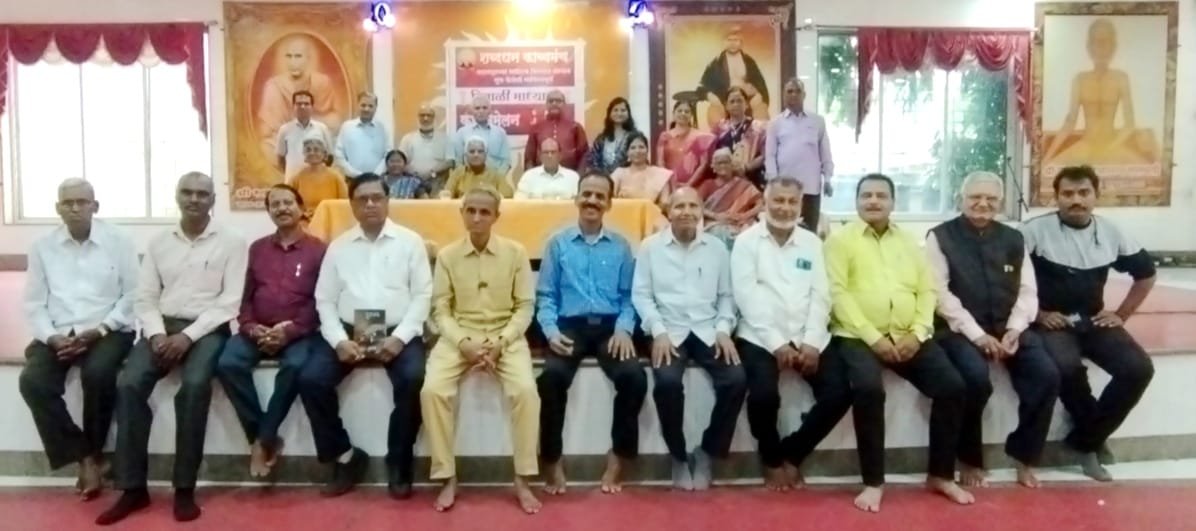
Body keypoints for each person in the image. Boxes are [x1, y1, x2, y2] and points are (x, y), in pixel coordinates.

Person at [97, 172, 248, 525]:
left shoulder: (232, 242)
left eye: (202, 194)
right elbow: (146, 297)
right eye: (187, 192)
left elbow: (229, 303)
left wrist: (188, 337)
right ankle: (133, 488)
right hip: (161, 328)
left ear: (213, 200)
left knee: (194, 387)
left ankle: (184, 487)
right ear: (177, 196)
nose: (194, 199)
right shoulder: (159, 242)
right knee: (129, 385)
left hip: (208, 329)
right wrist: (155, 334)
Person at [824, 173, 971, 513]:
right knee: (868, 390)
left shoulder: (909, 242)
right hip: (857, 335)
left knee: (952, 387)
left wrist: (918, 333)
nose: (873, 201)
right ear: (856, 201)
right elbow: (838, 295)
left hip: (907, 334)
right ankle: (873, 482)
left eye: (881, 195)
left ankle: (940, 474)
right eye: (866, 195)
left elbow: (927, 291)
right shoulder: (840, 241)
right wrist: (874, 338)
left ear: (893, 202)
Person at [297, 173, 433, 498]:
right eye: (362, 199)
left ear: (387, 201)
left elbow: (423, 295)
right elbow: (324, 300)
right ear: (352, 205)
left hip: (398, 330)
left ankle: (399, 462)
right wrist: (338, 341)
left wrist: (400, 337)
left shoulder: (410, 242)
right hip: (349, 330)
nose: (370, 204)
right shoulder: (339, 247)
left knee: (414, 379)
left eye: (377, 197)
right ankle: (345, 456)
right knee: (311, 380)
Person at [926, 171, 1060, 489]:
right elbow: (939, 294)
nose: (983, 203)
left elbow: (1028, 290)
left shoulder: (1014, 238)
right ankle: (969, 458)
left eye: (991, 199)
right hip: (959, 330)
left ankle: (1025, 457)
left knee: (1046, 376)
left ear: (1000, 203)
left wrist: (1015, 329)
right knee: (974, 379)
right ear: (960, 199)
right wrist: (978, 335)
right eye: (975, 197)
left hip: (1009, 326)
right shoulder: (940, 237)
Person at [1021, 165, 1156, 481]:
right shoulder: (1033, 231)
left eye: (1084, 193)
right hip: (1050, 322)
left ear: (1096, 195)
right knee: (1067, 369)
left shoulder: (1112, 232)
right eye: (1067, 194)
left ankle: (1086, 439)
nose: (1076, 200)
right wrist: (1038, 314)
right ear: (1056, 197)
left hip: (1093, 319)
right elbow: (1007, 280)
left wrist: (1121, 315)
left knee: (1138, 369)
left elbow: (1146, 275)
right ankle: (1092, 442)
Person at [421, 187, 542, 514]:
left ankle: (523, 478)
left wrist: (502, 342)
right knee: (433, 391)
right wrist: (463, 343)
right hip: (459, 336)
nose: (476, 218)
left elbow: (525, 307)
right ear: (461, 213)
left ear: (496, 216)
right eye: (471, 211)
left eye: (484, 212)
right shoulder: (447, 256)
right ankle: (446, 476)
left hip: (506, 337)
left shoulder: (515, 253)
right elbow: (441, 310)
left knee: (526, 392)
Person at [20, 178, 138, 501]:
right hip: (59, 331)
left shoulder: (119, 241)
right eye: (67, 202)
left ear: (95, 206)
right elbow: (34, 303)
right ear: (57, 208)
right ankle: (86, 456)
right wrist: (52, 337)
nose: (75, 208)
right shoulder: (42, 247)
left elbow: (133, 295)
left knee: (98, 374)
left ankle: (95, 452)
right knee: (33, 382)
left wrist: (101, 329)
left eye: (82, 202)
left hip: (108, 329)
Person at [731, 177, 846, 491]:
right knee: (764, 396)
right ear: (765, 202)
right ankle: (771, 459)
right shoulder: (746, 243)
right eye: (778, 200)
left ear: (800, 204)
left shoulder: (812, 242)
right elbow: (747, 297)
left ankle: (793, 454)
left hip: (808, 334)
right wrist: (777, 344)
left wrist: (811, 340)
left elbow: (821, 295)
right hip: (759, 336)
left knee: (839, 392)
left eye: (791, 202)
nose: (784, 208)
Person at [536, 172, 647, 496]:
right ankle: (551, 458)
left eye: (600, 196)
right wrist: (551, 332)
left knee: (634, 378)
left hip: (610, 328)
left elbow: (628, 297)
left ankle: (619, 456)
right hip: (569, 327)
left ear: (609, 204)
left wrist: (625, 329)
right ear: (576, 198)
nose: (592, 201)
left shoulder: (621, 246)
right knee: (550, 379)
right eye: (587, 194)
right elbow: (546, 297)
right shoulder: (558, 244)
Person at [632, 187, 746, 491]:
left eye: (692, 206)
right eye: (679, 206)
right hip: (667, 330)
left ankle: (708, 450)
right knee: (668, 383)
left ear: (701, 211)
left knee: (736, 380)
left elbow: (727, 296)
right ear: (668, 212)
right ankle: (679, 456)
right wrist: (657, 331)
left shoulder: (717, 248)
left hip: (707, 329)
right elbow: (641, 296)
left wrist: (723, 329)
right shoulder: (650, 247)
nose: (686, 212)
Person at [214, 184, 327, 479]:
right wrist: (251, 327)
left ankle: (261, 441)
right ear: (268, 212)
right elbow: (244, 297)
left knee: (296, 366)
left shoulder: (319, 250)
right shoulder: (257, 249)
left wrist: (290, 331)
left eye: (288, 202)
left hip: (299, 332)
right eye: (275, 204)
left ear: (302, 209)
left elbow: (321, 300)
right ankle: (263, 437)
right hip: (257, 329)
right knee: (227, 363)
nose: (282, 208)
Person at [1043, 19, 1153, 166]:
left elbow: (1129, 124)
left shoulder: (1121, 78)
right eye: (1096, 41)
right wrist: (1048, 157)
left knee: (1145, 168)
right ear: (1089, 46)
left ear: (1113, 46)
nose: (1101, 47)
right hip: (1086, 145)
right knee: (1057, 169)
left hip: (1112, 145)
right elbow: (1070, 122)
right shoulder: (1080, 79)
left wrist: (1111, 147)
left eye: (1106, 41)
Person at [257, 34, 344, 160]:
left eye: (298, 56)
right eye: (289, 56)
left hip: (315, 142)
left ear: (308, 58)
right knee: (266, 147)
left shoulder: (321, 82)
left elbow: (335, 121)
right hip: (287, 142)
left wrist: (309, 121)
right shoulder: (274, 86)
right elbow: (265, 130)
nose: (293, 62)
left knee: (335, 143)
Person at [765, 78, 834, 232]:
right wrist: (773, 182)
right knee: (784, 228)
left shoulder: (817, 121)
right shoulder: (775, 123)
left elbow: (825, 153)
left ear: (804, 95)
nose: (793, 95)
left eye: (797, 91)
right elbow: (770, 156)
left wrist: (828, 179)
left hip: (811, 187)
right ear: (783, 95)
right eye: (789, 91)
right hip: (785, 188)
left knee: (809, 230)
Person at [694, 26, 770, 125]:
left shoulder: (749, 62)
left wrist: (758, 94)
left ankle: (757, 134)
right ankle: (723, 134)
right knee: (714, 114)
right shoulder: (716, 63)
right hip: (723, 100)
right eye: (729, 40)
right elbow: (702, 87)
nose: (732, 43)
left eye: (736, 40)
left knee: (761, 110)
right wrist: (711, 96)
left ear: (741, 43)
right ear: (724, 42)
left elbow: (760, 84)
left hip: (748, 99)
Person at [697, 147, 763, 246]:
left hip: (741, 223)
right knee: (720, 232)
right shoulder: (708, 185)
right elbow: (696, 206)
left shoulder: (743, 184)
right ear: (714, 167)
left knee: (751, 233)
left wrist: (744, 216)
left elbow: (760, 204)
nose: (723, 166)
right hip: (715, 223)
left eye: (726, 162)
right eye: (719, 163)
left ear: (732, 165)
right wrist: (716, 216)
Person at [708, 86, 766, 185]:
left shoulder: (758, 127)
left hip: (750, 180)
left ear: (746, 104)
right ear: (726, 105)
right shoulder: (718, 128)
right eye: (732, 101)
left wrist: (746, 167)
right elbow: (711, 155)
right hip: (724, 180)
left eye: (739, 101)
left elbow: (765, 155)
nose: (736, 104)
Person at [275, 90, 335, 181]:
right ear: (293, 107)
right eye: (299, 104)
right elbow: (280, 158)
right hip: (292, 181)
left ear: (312, 107)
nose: (302, 106)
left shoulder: (322, 128)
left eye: (306, 104)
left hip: (317, 181)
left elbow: (329, 157)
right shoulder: (284, 129)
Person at [525, 89, 588, 170]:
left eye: (558, 101)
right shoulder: (536, 127)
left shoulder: (575, 127)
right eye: (551, 101)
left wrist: (578, 175)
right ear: (546, 105)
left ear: (564, 104)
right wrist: (530, 175)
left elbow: (584, 155)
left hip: (569, 175)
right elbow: (529, 157)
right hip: (541, 175)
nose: (554, 103)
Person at [657, 99, 715, 188]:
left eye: (686, 111)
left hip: (693, 186)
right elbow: (660, 162)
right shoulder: (665, 136)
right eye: (680, 111)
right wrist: (669, 183)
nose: (683, 113)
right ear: (674, 113)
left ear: (691, 115)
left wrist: (688, 185)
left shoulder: (700, 137)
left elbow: (703, 164)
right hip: (668, 185)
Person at [399, 105, 453, 196]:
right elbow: (400, 162)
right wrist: (416, 175)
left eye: (429, 115)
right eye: (422, 115)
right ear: (418, 117)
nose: (425, 118)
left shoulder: (445, 139)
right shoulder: (407, 139)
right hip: (413, 186)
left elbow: (450, 162)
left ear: (434, 118)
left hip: (437, 185)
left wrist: (431, 173)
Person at [334, 91, 389, 179]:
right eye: (363, 105)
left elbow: (387, 154)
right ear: (358, 106)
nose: (366, 109)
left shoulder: (381, 128)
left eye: (370, 106)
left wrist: (376, 174)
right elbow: (338, 154)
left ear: (376, 108)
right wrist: (355, 174)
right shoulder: (347, 127)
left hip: (377, 179)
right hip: (352, 179)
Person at [289, 136, 348, 217]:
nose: (312, 153)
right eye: (308, 150)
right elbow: (289, 198)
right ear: (304, 154)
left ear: (324, 154)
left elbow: (344, 201)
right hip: (305, 218)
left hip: (330, 218)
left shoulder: (335, 176)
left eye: (316, 150)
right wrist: (302, 212)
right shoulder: (298, 176)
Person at [452, 95, 511, 175]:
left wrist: (496, 179)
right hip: (469, 180)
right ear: (472, 111)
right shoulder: (462, 133)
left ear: (490, 110)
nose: (481, 111)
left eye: (484, 108)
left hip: (495, 180)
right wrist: (466, 179)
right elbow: (458, 162)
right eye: (477, 108)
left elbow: (506, 161)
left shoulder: (500, 133)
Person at [441, 137, 514, 199]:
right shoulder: (458, 173)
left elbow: (508, 195)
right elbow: (446, 194)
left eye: (480, 151)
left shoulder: (495, 174)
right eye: (472, 151)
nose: (476, 155)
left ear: (485, 154)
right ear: (466, 155)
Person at [611, 132, 673, 206]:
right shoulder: (619, 173)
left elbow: (665, 203)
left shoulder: (660, 175)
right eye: (633, 148)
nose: (637, 151)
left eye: (641, 147)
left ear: (647, 150)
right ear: (627, 152)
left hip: (652, 213)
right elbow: (609, 200)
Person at [585, 97, 638, 175]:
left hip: (628, 177)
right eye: (615, 110)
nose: (619, 113)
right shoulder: (602, 138)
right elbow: (592, 160)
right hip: (603, 178)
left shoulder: (635, 137)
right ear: (609, 113)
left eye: (623, 110)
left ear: (628, 113)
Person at [515, 138, 581, 199]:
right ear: (540, 156)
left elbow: (580, 203)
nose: (549, 156)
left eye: (553, 152)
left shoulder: (573, 177)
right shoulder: (528, 176)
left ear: (560, 155)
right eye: (546, 152)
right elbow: (518, 202)